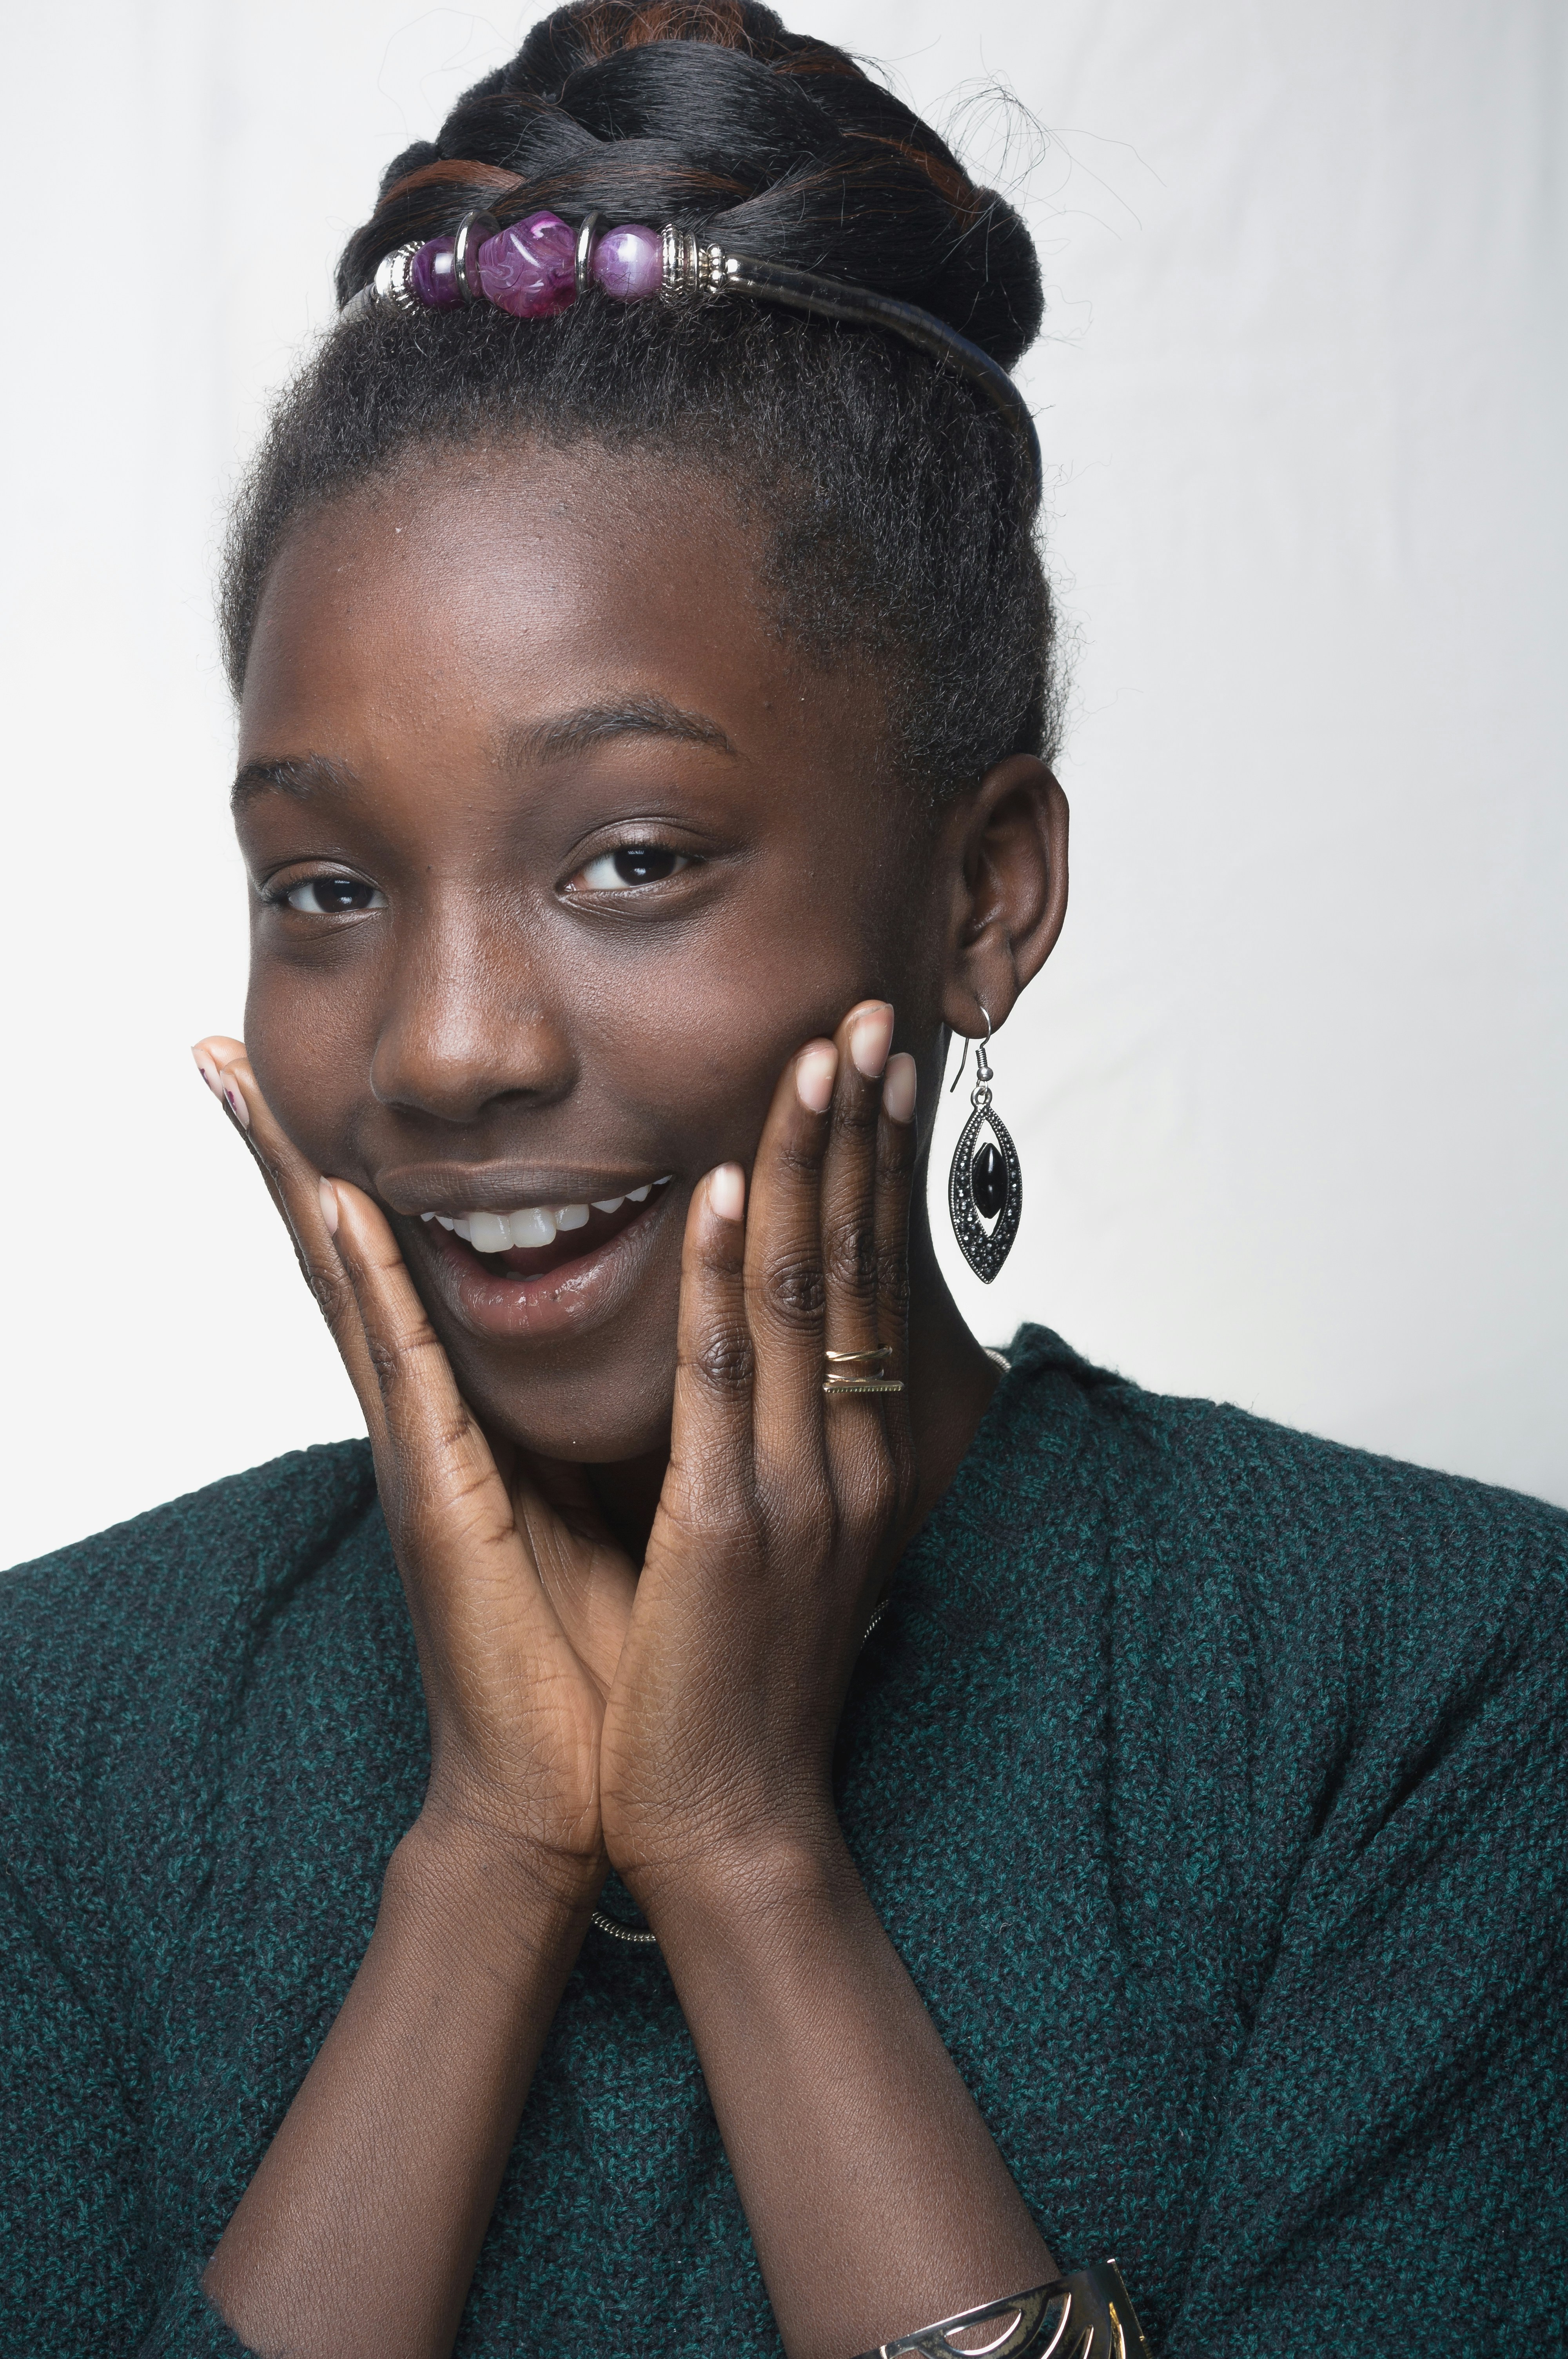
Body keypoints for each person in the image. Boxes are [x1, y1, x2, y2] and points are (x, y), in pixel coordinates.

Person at [1, 5, 1563, 2354]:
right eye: (325, 888)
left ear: (983, 900)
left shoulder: (1421, 1698)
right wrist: (487, 1863)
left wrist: (744, 1866)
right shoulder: (71, 1725)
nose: (442, 1050)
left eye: (630, 860)